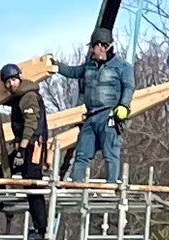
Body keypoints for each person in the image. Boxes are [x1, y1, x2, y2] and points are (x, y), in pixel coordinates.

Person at [57, 37, 134, 185]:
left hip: (108, 114)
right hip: (91, 115)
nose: (92, 50)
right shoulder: (90, 66)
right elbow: (73, 71)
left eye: (93, 47)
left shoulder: (122, 66)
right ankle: (77, 186)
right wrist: (57, 66)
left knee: (110, 152)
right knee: (82, 153)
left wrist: (124, 105)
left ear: (102, 46)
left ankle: (111, 186)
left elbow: (129, 87)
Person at [0, 62, 50, 239]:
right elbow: (6, 101)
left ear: (19, 78)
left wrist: (21, 150)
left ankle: (42, 229)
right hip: (27, 146)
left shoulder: (28, 96)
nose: (10, 85)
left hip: (33, 147)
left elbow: (31, 124)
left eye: (13, 80)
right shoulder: (19, 96)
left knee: (32, 185)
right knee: (2, 171)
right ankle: (1, 203)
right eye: (7, 82)